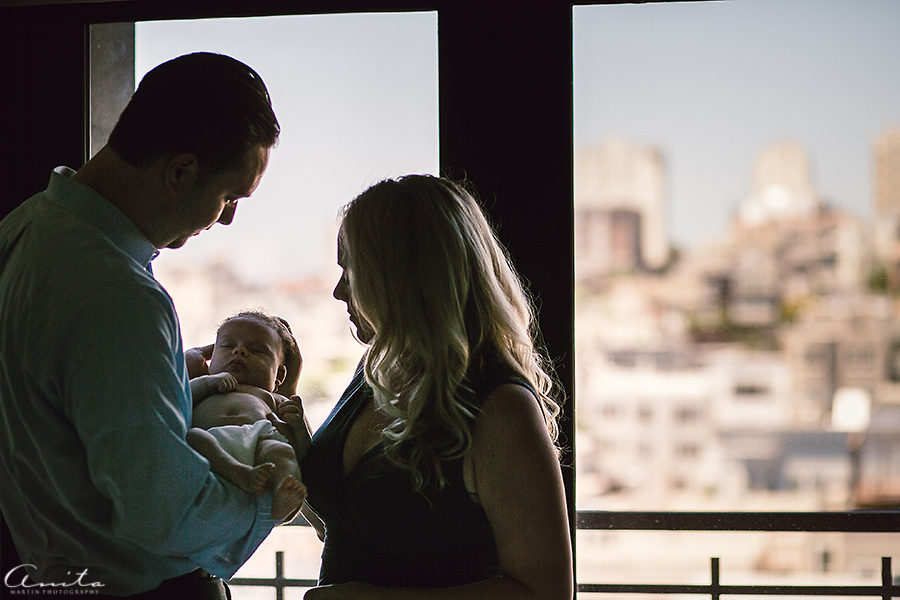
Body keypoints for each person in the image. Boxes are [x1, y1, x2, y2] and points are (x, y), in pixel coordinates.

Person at [0, 52, 281, 598]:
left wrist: (170, 374)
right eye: (229, 197)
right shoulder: (120, 296)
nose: (226, 219)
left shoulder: (20, 231)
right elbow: (163, 513)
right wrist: (271, 498)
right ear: (180, 171)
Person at [276, 175, 574, 599]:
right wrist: (297, 447)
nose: (338, 290)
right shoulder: (376, 372)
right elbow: (348, 527)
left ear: (402, 276)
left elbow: (546, 592)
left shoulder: (501, 407)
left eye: (351, 270)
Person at [187, 310, 310, 520]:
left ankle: (282, 498)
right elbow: (179, 402)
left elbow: (304, 452)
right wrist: (205, 382)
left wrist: (298, 427)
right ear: (209, 359)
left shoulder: (275, 399)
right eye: (227, 346)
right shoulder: (204, 385)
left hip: (258, 447)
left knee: (281, 451)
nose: (240, 351)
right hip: (209, 443)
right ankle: (239, 473)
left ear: (279, 376)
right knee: (194, 438)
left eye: (257, 350)